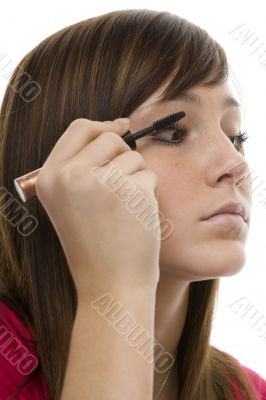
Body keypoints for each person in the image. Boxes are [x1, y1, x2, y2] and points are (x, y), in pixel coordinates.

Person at [0, 8, 265, 400]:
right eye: (174, 133)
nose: (235, 165)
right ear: (65, 170)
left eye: (235, 136)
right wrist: (113, 291)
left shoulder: (246, 391)